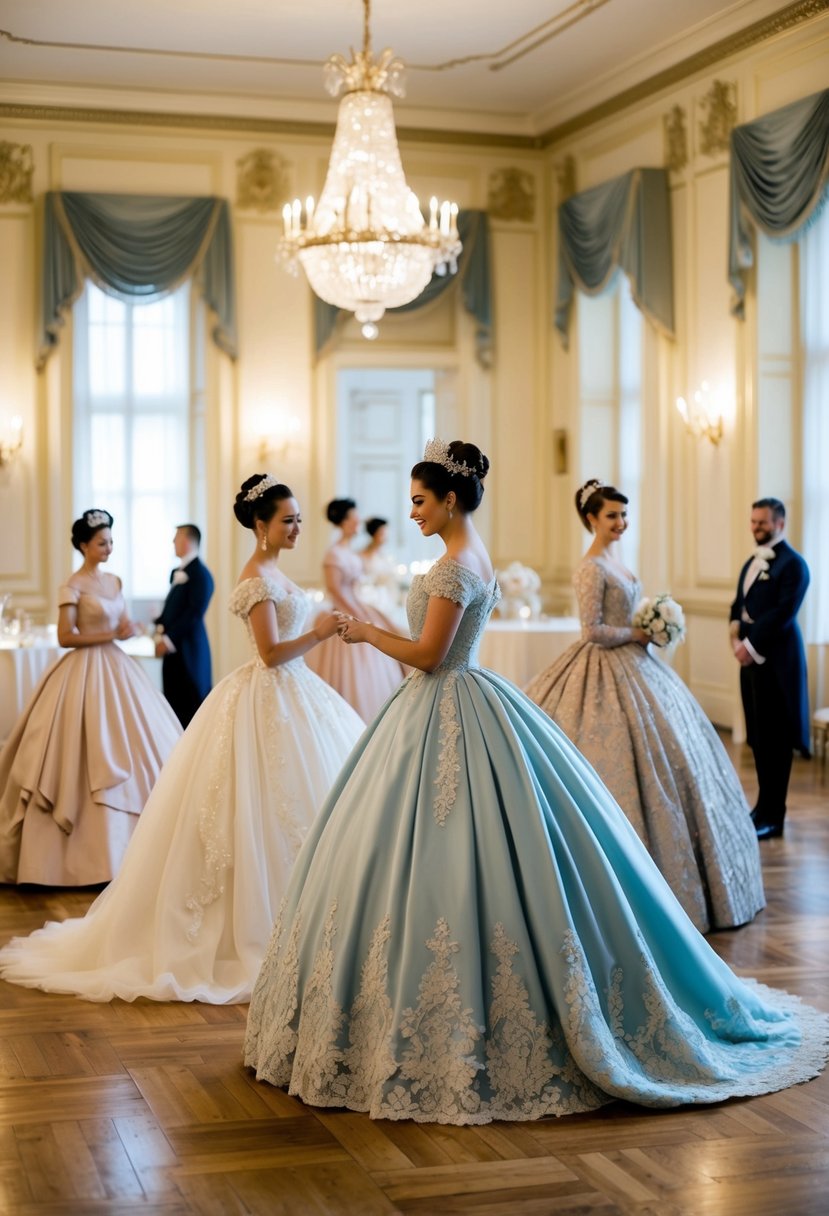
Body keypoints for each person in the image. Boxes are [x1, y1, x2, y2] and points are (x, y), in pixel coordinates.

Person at [244, 441, 828, 1126]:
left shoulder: (457, 566)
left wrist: (365, 633)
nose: (412, 512)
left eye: (419, 501)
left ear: (450, 500)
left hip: (445, 699)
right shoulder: (468, 557)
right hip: (451, 705)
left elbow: (430, 658)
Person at [0, 477, 365, 1003]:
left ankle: (314, 916)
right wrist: (320, 631)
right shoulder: (256, 580)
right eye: (288, 519)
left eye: (299, 518)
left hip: (296, 697)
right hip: (270, 691)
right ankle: (259, 924)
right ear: (260, 526)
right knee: (256, 811)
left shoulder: (274, 573)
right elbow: (269, 653)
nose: (297, 527)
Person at [525, 480, 764, 934]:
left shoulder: (615, 560)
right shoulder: (590, 568)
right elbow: (591, 630)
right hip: (606, 666)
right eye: (612, 515)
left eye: (623, 514)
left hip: (640, 664)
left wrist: (650, 627)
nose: (621, 522)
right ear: (591, 518)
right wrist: (638, 634)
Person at [0, 509, 181, 886]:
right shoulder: (72, 586)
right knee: (74, 751)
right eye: (101, 542)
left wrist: (127, 630)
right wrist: (110, 635)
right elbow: (66, 637)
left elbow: (123, 624)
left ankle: (136, 851)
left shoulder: (114, 581)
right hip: (82, 670)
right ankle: (82, 858)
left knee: (141, 742)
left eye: (111, 541)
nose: (108, 548)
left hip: (118, 668)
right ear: (83, 545)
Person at [730, 497, 811, 840]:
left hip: (777, 664)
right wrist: (734, 626)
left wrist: (750, 646)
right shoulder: (752, 560)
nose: (756, 528)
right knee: (759, 740)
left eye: (762, 522)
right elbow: (740, 602)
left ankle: (774, 816)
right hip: (750, 662)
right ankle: (761, 807)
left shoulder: (794, 565)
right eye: (753, 521)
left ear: (780, 523)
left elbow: (783, 613)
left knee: (777, 743)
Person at [305, 497, 406, 720]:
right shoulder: (334, 554)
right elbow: (335, 589)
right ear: (343, 521)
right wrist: (356, 614)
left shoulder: (350, 552)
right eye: (353, 516)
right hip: (341, 611)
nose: (358, 520)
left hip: (358, 605)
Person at [154, 523, 215, 728]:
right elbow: (173, 609)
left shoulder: (201, 575)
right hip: (174, 653)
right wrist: (157, 625)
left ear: (187, 541)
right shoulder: (177, 572)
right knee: (173, 706)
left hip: (190, 653)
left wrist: (168, 640)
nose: (173, 542)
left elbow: (194, 614)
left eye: (176, 538)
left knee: (191, 707)